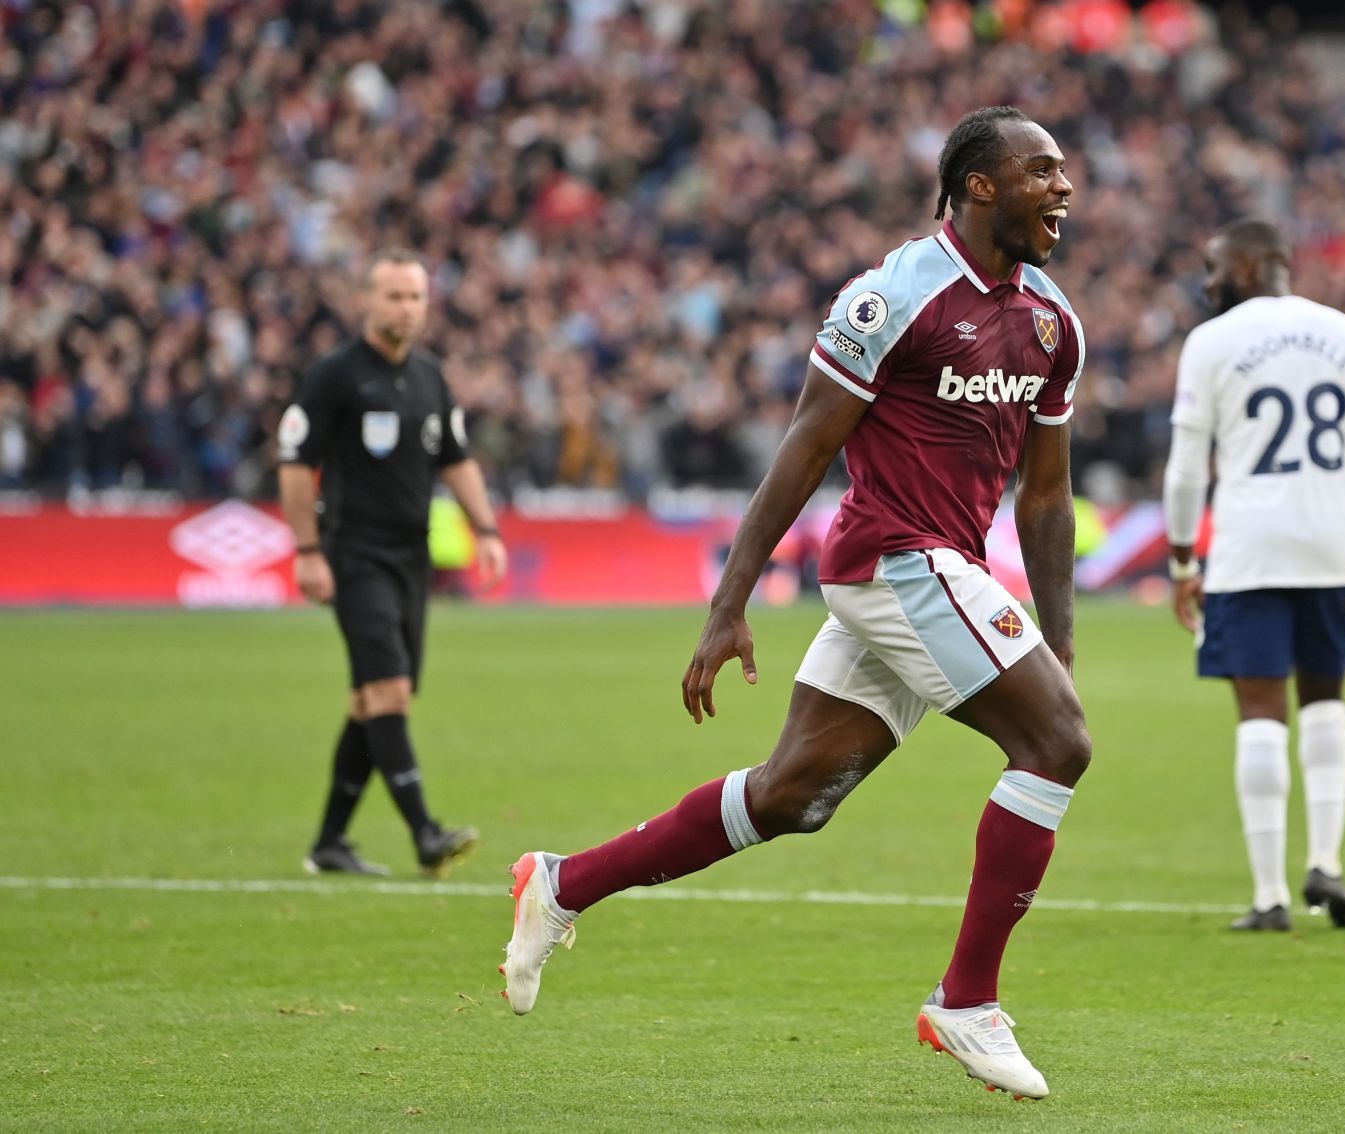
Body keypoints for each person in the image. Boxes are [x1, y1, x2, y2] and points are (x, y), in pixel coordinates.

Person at [500, 107, 1087, 1101]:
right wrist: (731, 602)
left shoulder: (1051, 323)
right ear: (981, 185)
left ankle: (560, 885)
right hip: (890, 560)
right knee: (1059, 746)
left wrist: (1058, 648)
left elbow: (1045, 493)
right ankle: (966, 1000)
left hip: (936, 570)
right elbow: (807, 447)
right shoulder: (892, 295)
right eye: (1043, 171)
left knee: (788, 798)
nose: (1064, 188)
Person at [1161, 218, 1345, 932]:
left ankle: (1271, 896)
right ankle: (1327, 863)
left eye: (1215, 267)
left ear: (1252, 265)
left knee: (1261, 711)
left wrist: (1183, 559)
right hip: (1330, 545)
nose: (1208, 283)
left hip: (1248, 549)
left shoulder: (1210, 343)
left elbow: (1186, 467)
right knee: (1326, 700)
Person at [278, 250, 503, 878]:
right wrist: (307, 550)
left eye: (415, 298)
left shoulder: (430, 377)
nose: (406, 307)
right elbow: (296, 464)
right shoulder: (334, 377)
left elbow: (455, 459)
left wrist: (485, 529)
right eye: (394, 296)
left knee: (371, 702)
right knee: (388, 691)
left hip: (411, 558)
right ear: (366, 302)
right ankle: (425, 832)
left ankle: (329, 843)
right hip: (353, 554)